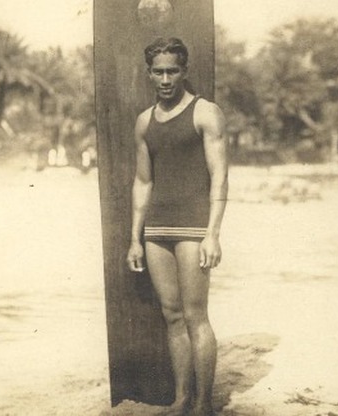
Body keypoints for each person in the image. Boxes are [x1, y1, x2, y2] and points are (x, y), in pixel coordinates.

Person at [126, 37, 229, 416]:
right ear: (149, 73)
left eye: (172, 70)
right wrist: (134, 239)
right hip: (156, 230)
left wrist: (213, 233)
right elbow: (143, 182)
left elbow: (219, 177)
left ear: (184, 71)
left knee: (195, 315)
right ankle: (182, 399)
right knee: (171, 315)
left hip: (192, 228)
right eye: (159, 71)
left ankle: (203, 405)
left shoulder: (206, 113)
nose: (166, 78)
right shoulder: (144, 121)